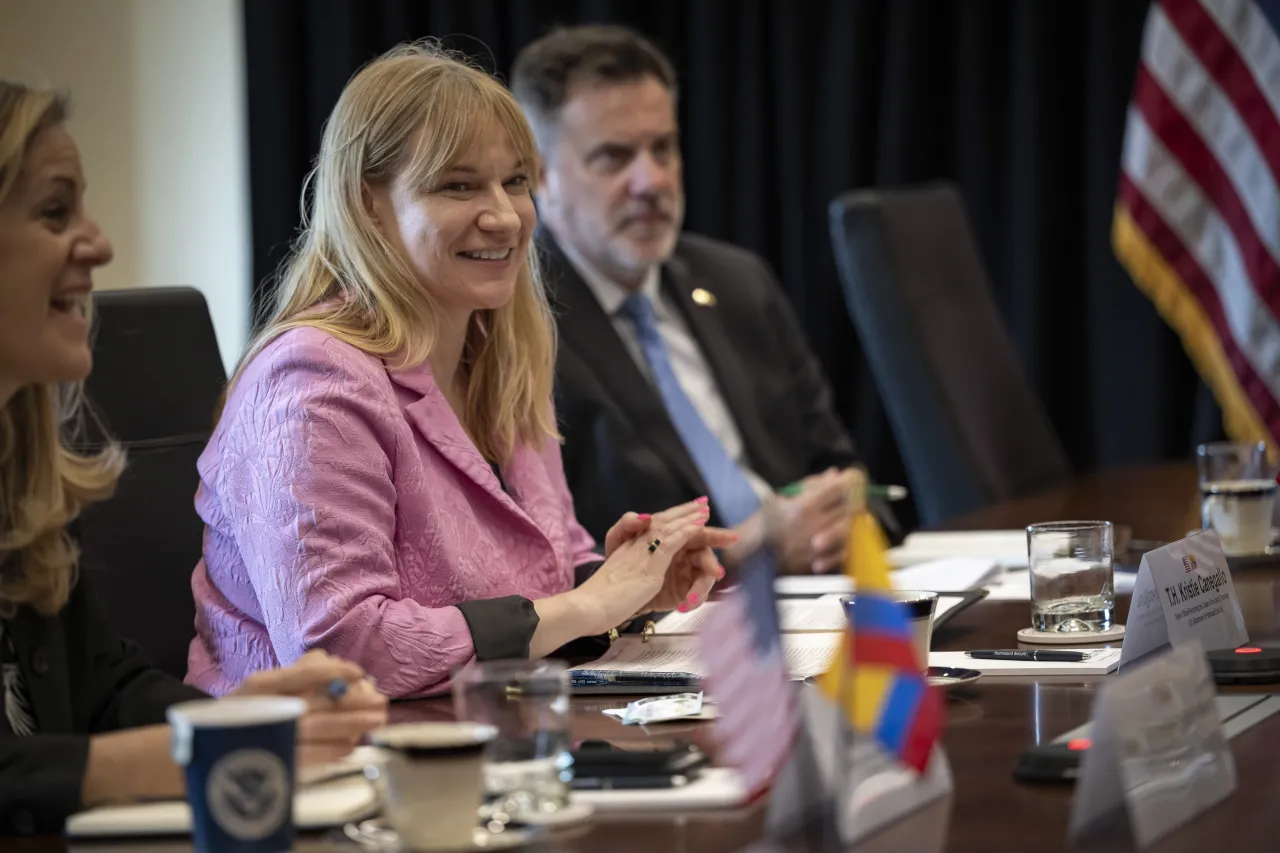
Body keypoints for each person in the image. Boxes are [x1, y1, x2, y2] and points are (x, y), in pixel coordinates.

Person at [186, 42, 732, 701]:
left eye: (516, 181)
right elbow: (340, 652)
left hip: (482, 736)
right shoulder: (310, 382)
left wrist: (627, 583)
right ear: (369, 206)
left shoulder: (503, 355)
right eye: (458, 184)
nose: (503, 215)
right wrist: (589, 605)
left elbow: (541, 582)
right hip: (312, 770)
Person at [0, 81, 388, 835]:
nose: (100, 244)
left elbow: (106, 687)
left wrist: (245, 721)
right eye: (55, 211)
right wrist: (180, 751)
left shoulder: (19, 482)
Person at [512, 25, 873, 575]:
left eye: (663, 148)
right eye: (613, 157)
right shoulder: (516, 326)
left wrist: (846, 518)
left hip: (822, 596)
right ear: (539, 174)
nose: (650, 181)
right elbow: (556, 561)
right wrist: (753, 552)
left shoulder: (737, 281)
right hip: (674, 630)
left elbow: (839, 466)